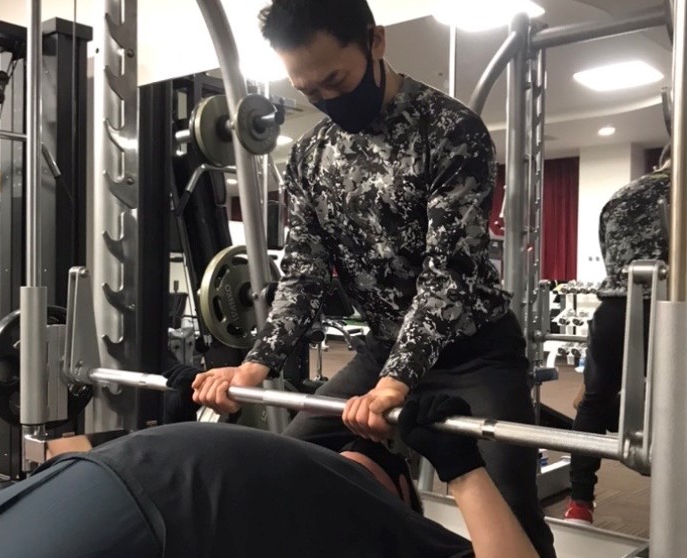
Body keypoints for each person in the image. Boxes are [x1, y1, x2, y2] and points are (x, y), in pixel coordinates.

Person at [192, 1, 555, 556]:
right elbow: (305, 276)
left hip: (474, 354)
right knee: (292, 467)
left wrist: (394, 384)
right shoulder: (310, 157)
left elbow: (448, 276)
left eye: (336, 80)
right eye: (309, 90)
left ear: (375, 41)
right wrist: (253, 366)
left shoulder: (451, 130)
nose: (326, 98)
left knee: (510, 512)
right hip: (383, 348)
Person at [0, 395, 539, 558]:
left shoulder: (393, 526)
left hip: (119, 495)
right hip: (108, 486)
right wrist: (462, 470)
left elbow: (64, 446)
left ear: (399, 490)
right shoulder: (313, 476)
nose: (356, 451)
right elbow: (59, 448)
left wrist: (462, 468)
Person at [564, 146, 670, 525]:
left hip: (616, 312)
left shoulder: (621, 196)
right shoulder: (679, 191)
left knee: (592, 403)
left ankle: (579, 504)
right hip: (672, 308)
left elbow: (610, 260)